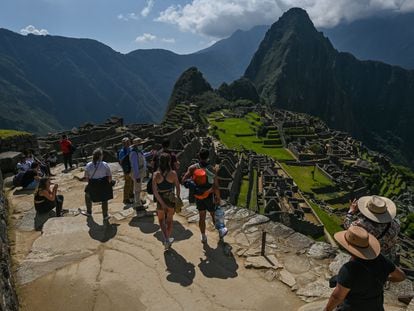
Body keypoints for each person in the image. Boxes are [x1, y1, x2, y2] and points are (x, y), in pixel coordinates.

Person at [324, 226, 406, 311]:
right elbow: (401, 276)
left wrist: (326, 310)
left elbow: (337, 297)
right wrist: (384, 277)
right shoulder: (380, 258)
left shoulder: (349, 269)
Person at [182, 148, 222, 243]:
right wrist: (218, 198)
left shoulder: (192, 168)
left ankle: (203, 236)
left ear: (198, 156)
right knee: (213, 215)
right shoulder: (212, 169)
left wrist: (193, 185)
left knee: (202, 216)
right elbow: (216, 186)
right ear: (208, 157)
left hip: (198, 196)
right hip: (209, 195)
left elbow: (184, 180)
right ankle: (220, 232)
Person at [344, 195, 400, 262]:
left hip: (369, 257)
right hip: (387, 259)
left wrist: (351, 212)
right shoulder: (396, 224)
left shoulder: (362, 224)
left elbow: (348, 227)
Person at [152, 153, 181, 249]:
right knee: (169, 221)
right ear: (169, 162)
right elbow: (177, 187)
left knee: (161, 220)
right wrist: (177, 197)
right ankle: (167, 239)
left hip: (161, 199)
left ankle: (166, 239)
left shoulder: (156, 175)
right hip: (170, 198)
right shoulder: (173, 173)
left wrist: (162, 203)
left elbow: (155, 192)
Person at [84, 148, 113, 222]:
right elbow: (109, 177)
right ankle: (105, 215)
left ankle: (89, 211)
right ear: (100, 156)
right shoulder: (105, 164)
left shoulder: (88, 165)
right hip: (103, 184)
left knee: (87, 195)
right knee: (104, 198)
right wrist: (107, 185)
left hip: (93, 184)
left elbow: (86, 178)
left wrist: (91, 184)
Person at [129, 137, 151, 210]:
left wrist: (150, 153)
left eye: (141, 144)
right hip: (137, 173)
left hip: (140, 172)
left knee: (138, 187)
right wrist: (137, 176)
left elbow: (143, 155)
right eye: (139, 144)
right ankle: (137, 204)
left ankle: (138, 200)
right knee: (137, 189)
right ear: (135, 146)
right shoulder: (133, 153)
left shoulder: (138, 152)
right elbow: (134, 165)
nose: (141, 145)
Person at [118, 137, 134, 205]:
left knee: (132, 182)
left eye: (128, 142)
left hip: (132, 168)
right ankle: (126, 199)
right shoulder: (122, 151)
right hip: (127, 170)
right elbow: (121, 161)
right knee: (127, 184)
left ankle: (131, 194)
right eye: (126, 143)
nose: (128, 144)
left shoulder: (130, 149)